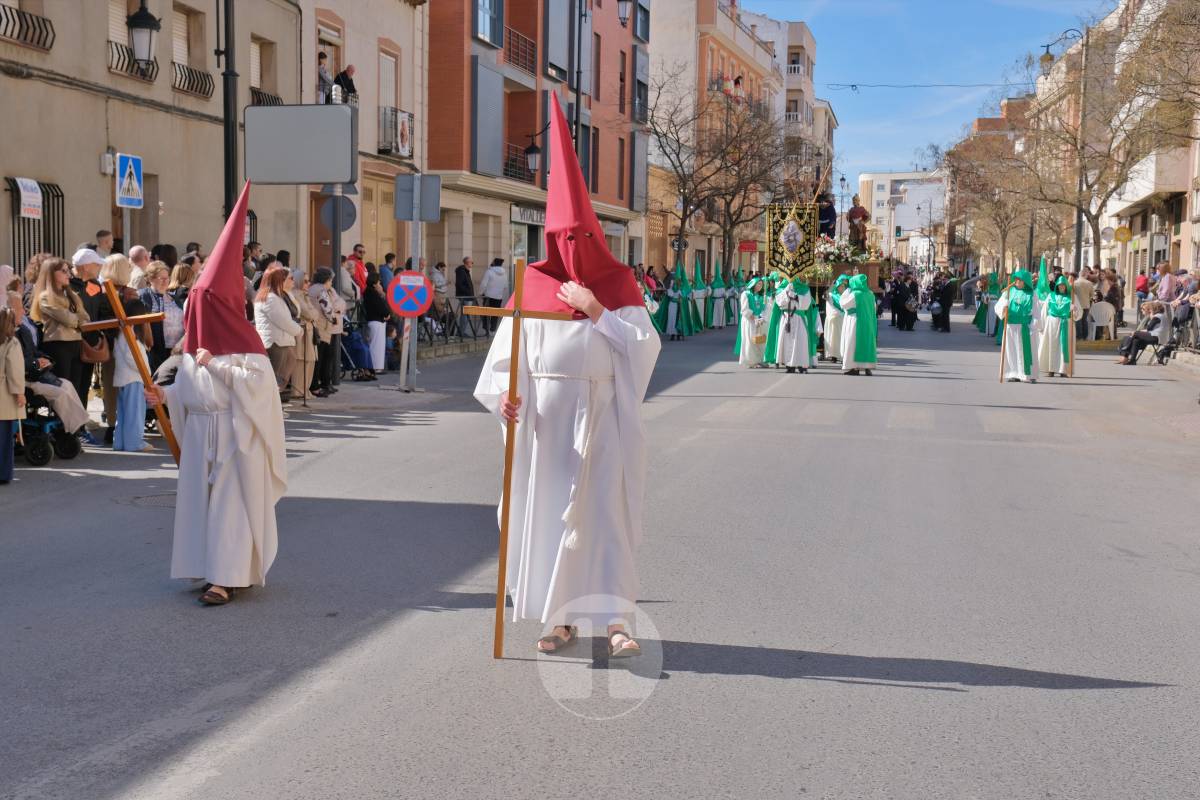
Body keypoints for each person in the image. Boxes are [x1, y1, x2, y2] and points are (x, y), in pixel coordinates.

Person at [474, 95, 660, 657]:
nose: (571, 250)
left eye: (581, 239)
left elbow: (644, 351)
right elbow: (508, 363)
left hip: (603, 419)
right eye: (562, 240)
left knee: (604, 519)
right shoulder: (530, 289)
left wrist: (597, 309)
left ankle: (615, 623)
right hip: (546, 425)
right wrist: (508, 402)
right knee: (553, 518)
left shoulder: (620, 288)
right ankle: (560, 621)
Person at [145, 184, 287, 607]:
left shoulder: (248, 346)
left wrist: (216, 364)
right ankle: (208, 567)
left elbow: (260, 389)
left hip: (235, 435)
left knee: (229, 507)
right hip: (201, 432)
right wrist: (165, 396)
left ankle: (226, 578)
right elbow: (190, 389)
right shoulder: (194, 349)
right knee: (201, 506)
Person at [8, 291, 94, 443]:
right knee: (59, 392)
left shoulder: (23, 330)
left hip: (34, 374)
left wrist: (44, 359)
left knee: (67, 385)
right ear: (10, 311)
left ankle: (76, 428)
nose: (24, 311)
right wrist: (35, 363)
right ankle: (74, 431)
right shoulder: (8, 336)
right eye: (20, 308)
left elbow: (35, 352)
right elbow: (13, 363)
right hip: (22, 380)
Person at [97, 254, 150, 445]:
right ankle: (123, 431)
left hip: (114, 346)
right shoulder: (107, 293)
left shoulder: (109, 292)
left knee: (113, 388)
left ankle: (115, 427)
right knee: (122, 391)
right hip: (120, 345)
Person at [31, 257, 90, 407]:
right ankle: (63, 427)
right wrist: (77, 321)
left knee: (76, 387)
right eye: (63, 271)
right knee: (63, 388)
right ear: (51, 273)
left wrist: (76, 320)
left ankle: (75, 428)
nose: (68, 274)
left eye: (68, 270)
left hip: (76, 343)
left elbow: (86, 318)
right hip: (58, 345)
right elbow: (70, 320)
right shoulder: (45, 297)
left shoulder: (72, 295)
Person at [254, 265, 303, 402]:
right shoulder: (271, 298)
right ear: (279, 280)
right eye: (290, 278)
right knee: (274, 379)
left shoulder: (275, 297)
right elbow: (284, 322)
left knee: (278, 379)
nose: (293, 281)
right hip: (276, 343)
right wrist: (299, 330)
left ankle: (272, 406)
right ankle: (269, 407)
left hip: (280, 342)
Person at [111, 310, 152, 453]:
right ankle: (134, 443)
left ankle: (120, 442)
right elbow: (132, 357)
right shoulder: (129, 332)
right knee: (135, 413)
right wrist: (146, 373)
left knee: (123, 413)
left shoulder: (121, 333)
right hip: (133, 378)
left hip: (123, 378)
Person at [139, 261, 186, 371]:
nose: (166, 281)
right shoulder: (144, 296)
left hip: (177, 349)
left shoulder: (174, 298)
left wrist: (181, 343)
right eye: (161, 278)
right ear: (150, 279)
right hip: (157, 351)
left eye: (167, 277)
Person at [767, 276, 820, 374]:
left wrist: (796, 296)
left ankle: (802, 365)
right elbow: (780, 303)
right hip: (786, 318)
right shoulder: (782, 289)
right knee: (786, 342)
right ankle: (789, 365)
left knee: (800, 341)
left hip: (798, 318)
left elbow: (806, 304)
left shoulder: (804, 289)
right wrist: (786, 292)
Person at [995, 270, 1040, 382]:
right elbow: (998, 306)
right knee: (1011, 350)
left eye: (1019, 280)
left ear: (1025, 281)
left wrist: (1033, 326)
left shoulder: (1032, 294)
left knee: (1028, 351)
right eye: (1016, 279)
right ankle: (1014, 373)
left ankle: (1029, 374)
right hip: (1011, 325)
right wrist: (1004, 307)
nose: (1017, 281)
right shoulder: (1009, 292)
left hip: (1026, 326)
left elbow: (1037, 312)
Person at [308, 267, 342, 397]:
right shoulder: (321, 290)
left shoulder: (312, 288)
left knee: (318, 359)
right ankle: (316, 387)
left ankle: (316, 385)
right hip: (322, 327)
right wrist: (334, 319)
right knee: (320, 359)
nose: (331, 283)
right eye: (330, 280)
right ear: (326, 279)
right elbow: (327, 309)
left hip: (315, 326)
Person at [1038, 276, 1081, 377]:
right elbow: (1045, 310)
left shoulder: (1072, 297)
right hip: (1052, 323)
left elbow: (1079, 313)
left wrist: (1074, 309)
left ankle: (1063, 370)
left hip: (1066, 322)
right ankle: (1051, 369)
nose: (1062, 287)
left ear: (1066, 286)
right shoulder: (1051, 296)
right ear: (1057, 286)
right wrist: (1041, 325)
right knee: (1051, 346)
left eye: (1063, 285)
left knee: (1064, 347)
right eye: (1060, 285)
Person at [288, 268, 320, 400]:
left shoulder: (304, 295)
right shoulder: (295, 294)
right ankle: (298, 391)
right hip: (303, 333)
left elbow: (315, 314)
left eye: (309, 281)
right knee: (301, 361)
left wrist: (312, 315)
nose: (308, 284)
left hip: (310, 331)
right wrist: (312, 315)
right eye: (305, 281)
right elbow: (308, 313)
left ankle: (305, 389)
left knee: (310, 361)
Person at [0, 306, 23, 485]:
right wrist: (19, 393)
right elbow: (14, 370)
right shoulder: (11, 343)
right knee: (4, 437)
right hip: (4, 395)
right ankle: (3, 473)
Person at [839, 274, 878, 376]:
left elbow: (843, 304)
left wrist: (846, 292)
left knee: (853, 344)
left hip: (855, 321)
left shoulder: (855, 294)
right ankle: (867, 368)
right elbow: (874, 308)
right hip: (868, 322)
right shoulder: (871, 294)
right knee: (867, 343)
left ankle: (854, 367)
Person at [734, 276, 767, 367]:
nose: (760, 286)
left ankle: (759, 359)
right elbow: (745, 310)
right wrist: (754, 318)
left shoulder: (759, 296)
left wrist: (761, 317)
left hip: (758, 320)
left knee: (760, 340)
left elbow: (762, 309)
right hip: (749, 320)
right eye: (758, 284)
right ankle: (751, 361)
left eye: (761, 284)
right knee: (750, 340)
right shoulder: (746, 294)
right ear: (753, 284)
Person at [362, 273, 390, 376]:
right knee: (376, 346)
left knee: (377, 345)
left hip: (376, 320)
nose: (380, 285)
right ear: (374, 284)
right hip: (376, 321)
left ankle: (377, 366)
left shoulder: (369, 292)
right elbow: (381, 307)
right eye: (379, 282)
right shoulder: (372, 293)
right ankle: (376, 367)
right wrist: (386, 314)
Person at [824, 274, 849, 363]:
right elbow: (825, 295)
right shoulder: (831, 295)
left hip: (842, 320)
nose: (842, 288)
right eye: (840, 286)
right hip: (832, 320)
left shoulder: (846, 296)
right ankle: (833, 356)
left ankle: (842, 356)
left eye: (843, 286)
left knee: (841, 339)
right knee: (832, 338)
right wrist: (831, 287)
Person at [478, 258, 508, 334]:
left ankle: (486, 329)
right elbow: (505, 286)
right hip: (498, 297)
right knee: (495, 314)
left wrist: (480, 293)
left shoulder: (489, 272)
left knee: (485, 313)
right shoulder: (504, 273)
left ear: (494, 263)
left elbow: (483, 284)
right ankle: (493, 330)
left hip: (488, 296)